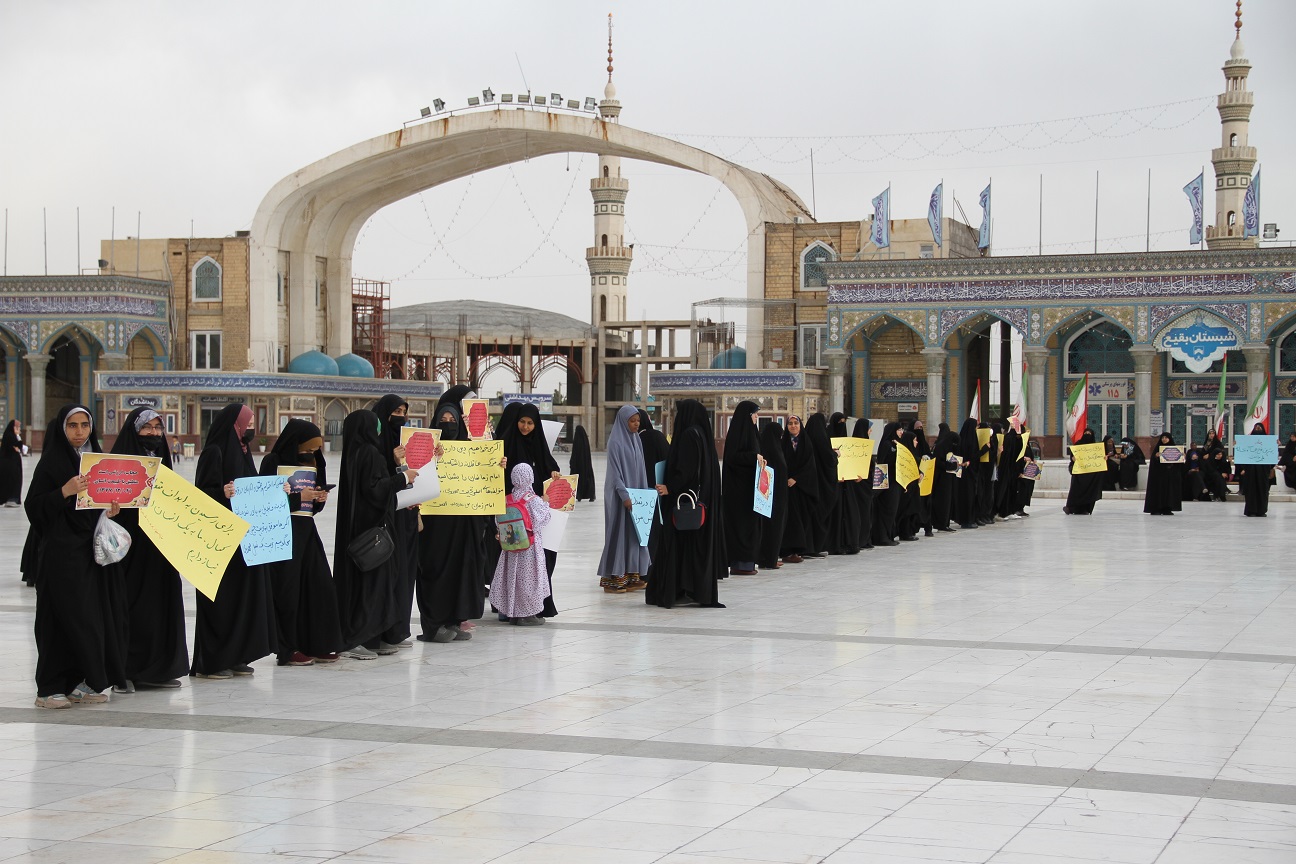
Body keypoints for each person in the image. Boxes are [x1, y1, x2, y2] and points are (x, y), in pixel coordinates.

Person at [27, 405, 127, 708]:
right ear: (62, 428)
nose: (79, 431)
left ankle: (81, 682)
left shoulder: (95, 461)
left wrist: (111, 509)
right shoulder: (51, 465)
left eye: (84, 425)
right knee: (59, 620)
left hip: (89, 554)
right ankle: (49, 688)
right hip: (60, 555)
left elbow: (99, 501)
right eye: (72, 425)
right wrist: (64, 492)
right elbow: (33, 508)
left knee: (88, 619)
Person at [191, 404, 276, 680]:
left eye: (253, 423)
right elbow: (201, 496)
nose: (251, 428)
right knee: (222, 602)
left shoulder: (243, 451)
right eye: (247, 423)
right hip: (220, 542)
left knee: (242, 599)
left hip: (244, 540)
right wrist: (222, 493)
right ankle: (212, 662)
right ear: (233, 424)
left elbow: (250, 488)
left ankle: (236, 654)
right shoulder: (214, 452)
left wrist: (277, 490)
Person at [110, 407, 188, 690]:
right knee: (131, 606)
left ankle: (158, 670)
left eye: (158, 428)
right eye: (148, 428)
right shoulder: (117, 463)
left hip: (159, 547)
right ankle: (125, 673)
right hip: (130, 549)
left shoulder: (162, 462)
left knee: (160, 605)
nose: (154, 434)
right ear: (134, 430)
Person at [259, 419, 345, 666]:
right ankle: (288, 648)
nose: (310, 454)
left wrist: (318, 498)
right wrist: (298, 498)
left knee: (318, 587)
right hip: (282, 532)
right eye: (306, 449)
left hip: (306, 530)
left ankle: (318, 643)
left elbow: (314, 507)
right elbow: (264, 501)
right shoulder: (272, 462)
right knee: (287, 591)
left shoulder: (316, 462)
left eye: (314, 450)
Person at [334, 409, 417, 656]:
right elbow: (375, 490)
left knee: (368, 585)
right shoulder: (370, 453)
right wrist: (403, 478)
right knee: (372, 586)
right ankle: (358, 639)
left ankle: (374, 637)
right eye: (376, 426)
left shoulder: (353, 453)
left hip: (359, 530)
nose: (379, 430)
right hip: (372, 533)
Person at [417, 399, 489, 642]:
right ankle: (433, 625)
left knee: (461, 568)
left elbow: (485, 478)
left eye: (452, 422)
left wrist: (497, 466)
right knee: (436, 569)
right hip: (436, 523)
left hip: (463, 520)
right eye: (442, 421)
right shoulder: (426, 449)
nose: (448, 426)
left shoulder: (470, 448)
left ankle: (453, 619)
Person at [645, 399, 726, 609]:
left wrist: (670, 487)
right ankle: (690, 590)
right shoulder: (701, 433)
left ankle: (676, 590)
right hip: (699, 504)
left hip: (682, 502)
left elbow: (687, 470)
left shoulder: (690, 434)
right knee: (692, 549)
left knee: (676, 547)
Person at [502, 403, 562, 618]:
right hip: (515, 519)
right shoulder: (507, 446)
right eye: (522, 422)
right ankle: (513, 607)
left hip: (537, 518)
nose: (525, 427)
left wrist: (554, 474)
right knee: (516, 564)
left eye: (530, 423)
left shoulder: (539, 447)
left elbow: (550, 468)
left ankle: (537, 605)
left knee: (541, 562)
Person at [371, 394, 419, 651]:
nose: (401, 416)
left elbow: (420, 474)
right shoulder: (376, 448)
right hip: (388, 518)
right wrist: (394, 460)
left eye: (404, 411)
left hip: (408, 514)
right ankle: (385, 629)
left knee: (405, 573)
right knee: (390, 572)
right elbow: (378, 483)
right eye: (396, 412)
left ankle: (398, 629)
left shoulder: (407, 442)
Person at [597, 405, 655, 593]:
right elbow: (615, 474)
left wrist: (642, 494)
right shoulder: (615, 442)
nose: (636, 424)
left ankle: (631, 575)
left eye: (638, 421)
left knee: (634, 536)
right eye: (632, 421)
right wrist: (625, 495)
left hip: (635, 497)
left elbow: (641, 470)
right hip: (619, 496)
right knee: (619, 534)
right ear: (623, 421)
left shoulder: (636, 439)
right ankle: (614, 579)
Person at [491, 463, 553, 624]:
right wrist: (545, 502)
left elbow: (498, 521)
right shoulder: (533, 500)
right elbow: (543, 519)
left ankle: (511, 612)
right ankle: (526, 615)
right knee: (529, 579)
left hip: (510, 547)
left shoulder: (506, 499)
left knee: (513, 578)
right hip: (529, 548)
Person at [722, 402, 766, 574]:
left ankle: (748, 563)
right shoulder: (737, 435)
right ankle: (739, 565)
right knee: (740, 526)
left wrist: (760, 461)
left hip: (751, 488)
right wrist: (753, 457)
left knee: (751, 527)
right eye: (754, 414)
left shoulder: (753, 434)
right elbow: (734, 457)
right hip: (738, 490)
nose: (756, 417)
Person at [778, 414, 819, 563]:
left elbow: (809, 465)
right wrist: (786, 478)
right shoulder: (783, 443)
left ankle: (798, 549)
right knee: (789, 520)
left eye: (796, 423)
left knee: (800, 519)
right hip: (786, 487)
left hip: (802, 488)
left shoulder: (806, 443)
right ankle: (787, 551)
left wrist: (796, 479)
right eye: (790, 424)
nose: (793, 426)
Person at [637, 409, 670, 573]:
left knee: (643, 534)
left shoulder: (635, 439)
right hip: (659, 491)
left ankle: (644, 571)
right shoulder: (657, 436)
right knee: (656, 532)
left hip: (639, 494)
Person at [826, 413, 861, 553]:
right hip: (834, 485)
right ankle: (835, 544)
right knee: (836, 514)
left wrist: (856, 475)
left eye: (843, 422)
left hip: (847, 484)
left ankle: (848, 543)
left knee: (849, 514)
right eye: (839, 422)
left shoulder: (848, 443)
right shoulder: (827, 440)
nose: (842, 425)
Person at [757, 421, 790, 568]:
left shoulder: (776, 448)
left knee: (775, 527)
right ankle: (768, 559)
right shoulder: (771, 451)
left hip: (777, 496)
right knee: (772, 528)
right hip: (771, 497)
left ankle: (771, 557)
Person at [804, 413, 839, 555]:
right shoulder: (822, 439)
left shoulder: (806, 438)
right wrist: (835, 455)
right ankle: (816, 547)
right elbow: (829, 460)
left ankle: (809, 547)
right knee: (820, 515)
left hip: (809, 484)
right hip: (822, 485)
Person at [871, 422, 902, 546]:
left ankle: (889, 535)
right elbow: (882, 464)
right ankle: (882, 537)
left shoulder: (897, 445)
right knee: (887, 510)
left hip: (895, 482)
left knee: (892, 510)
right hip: (887, 483)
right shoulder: (886, 444)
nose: (901, 432)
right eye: (899, 430)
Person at [1063, 428, 1103, 515]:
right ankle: (1071, 507)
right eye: (1086, 433)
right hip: (1079, 473)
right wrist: (1073, 459)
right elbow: (1072, 456)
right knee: (1075, 489)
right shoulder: (1078, 444)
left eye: (1089, 433)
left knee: (1090, 490)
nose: (1087, 435)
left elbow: (1098, 458)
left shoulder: (1095, 447)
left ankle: (1085, 508)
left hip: (1091, 474)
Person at [1143, 432, 1184, 516]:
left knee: (1169, 492)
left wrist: (1181, 457)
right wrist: (1156, 457)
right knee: (1159, 492)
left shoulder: (1175, 449)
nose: (1164, 439)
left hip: (1169, 476)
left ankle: (1167, 508)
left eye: (1166, 438)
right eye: (1163, 438)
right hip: (1159, 476)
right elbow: (1154, 464)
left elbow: (1178, 465)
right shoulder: (1157, 449)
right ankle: (1156, 508)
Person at [850, 419, 876, 550]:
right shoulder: (854, 446)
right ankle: (860, 540)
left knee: (867, 513)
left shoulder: (866, 446)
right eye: (869, 428)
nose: (870, 431)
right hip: (858, 487)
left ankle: (865, 539)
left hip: (866, 486)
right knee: (861, 513)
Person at [1238, 422, 1272, 517]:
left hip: (1263, 470)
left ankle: (1261, 511)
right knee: (1251, 489)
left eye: (1259, 428)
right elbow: (1243, 453)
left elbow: (1271, 455)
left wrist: (1275, 444)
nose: (1257, 429)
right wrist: (1238, 445)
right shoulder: (1248, 441)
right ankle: (1251, 510)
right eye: (1256, 428)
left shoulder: (1267, 442)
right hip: (1251, 470)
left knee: (1262, 490)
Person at [929, 423, 959, 532]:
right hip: (942, 478)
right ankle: (941, 523)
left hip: (946, 478)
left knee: (946, 501)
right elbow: (939, 462)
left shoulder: (942, 444)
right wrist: (952, 465)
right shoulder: (942, 446)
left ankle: (944, 523)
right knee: (943, 501)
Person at [955, 418, 982, 530]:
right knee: (968, 496)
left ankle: (967, 519)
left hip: (964, 473)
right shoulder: (971, 440)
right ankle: (967, 520)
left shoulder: (962, 439)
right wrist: (984, 449)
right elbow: (973, 456)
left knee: (967, 496)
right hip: (968, 473)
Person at [1200, 429, 1231, 500]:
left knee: (1218, 476)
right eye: (1210, 434)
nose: (1211, 435)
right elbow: (1202, 453)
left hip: (1216, 466)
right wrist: (1204, 456)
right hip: (1207, 466)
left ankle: (1221, 494)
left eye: (1213, 434)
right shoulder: (1206, 443)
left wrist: (1210, 455)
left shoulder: (1217, 443)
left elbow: (1220, 453)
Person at [0, 419, 24, 506]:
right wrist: (17, 436)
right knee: (12, 480)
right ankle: (11, 499)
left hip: (13, 463)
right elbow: (18, 446)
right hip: (10, 463)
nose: (19, 429)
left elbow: (18, 448)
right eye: (17, 427)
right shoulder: (9, 436)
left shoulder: (11, 435)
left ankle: (13, 499)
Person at [570, 425, 596, 501]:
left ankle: (579, 495)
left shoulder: (577, 441)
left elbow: (574, 454)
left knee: (578, 480)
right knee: (588, 479)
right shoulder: (585, 441)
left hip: (577, 466)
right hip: (586, 465)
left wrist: (572, 463)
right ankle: (591, 496)